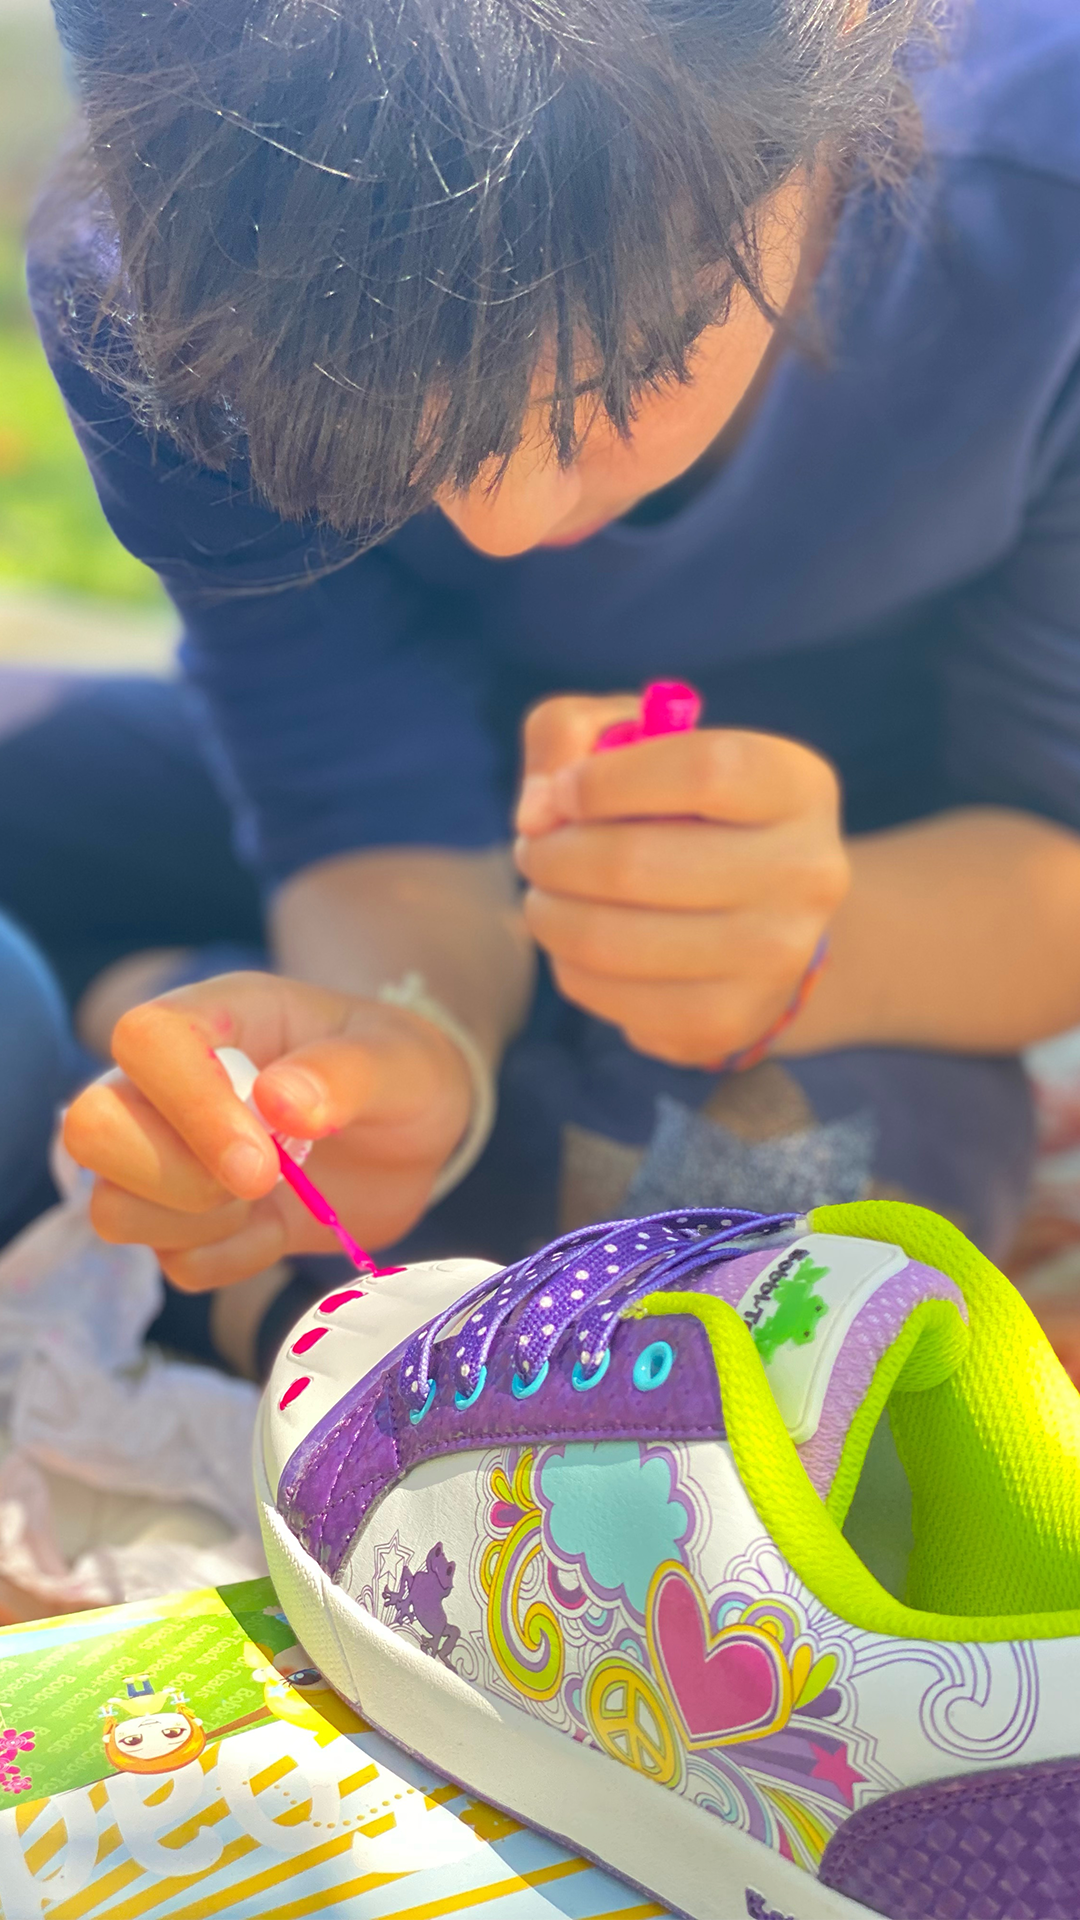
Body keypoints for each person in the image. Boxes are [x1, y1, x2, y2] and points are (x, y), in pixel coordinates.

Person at [10, 0, 1080, 1377]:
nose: (498, 520)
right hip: (430, 846)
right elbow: (351, 795)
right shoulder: (154, 288)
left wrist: (825, 946)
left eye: (631, 368)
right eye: (357, 420)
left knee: (748, 1245)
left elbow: (1051, 850)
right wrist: (413, 1048)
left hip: (905, 871)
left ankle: (173, 1077)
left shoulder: (1047, 199)